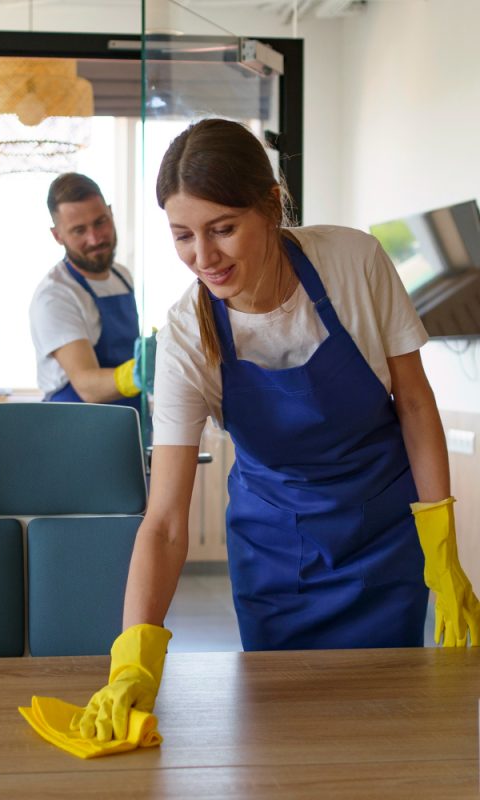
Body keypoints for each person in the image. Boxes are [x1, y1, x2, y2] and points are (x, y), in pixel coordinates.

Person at [71, 118, 480, 742]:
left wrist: (443, 550)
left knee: (387, 732)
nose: (203, 258)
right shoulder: (185, 337)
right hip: (275, 555)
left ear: (271, 205)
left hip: (384, 538)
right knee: (285, 736)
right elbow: (166, 521)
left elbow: (416, 405)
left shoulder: (352, 262)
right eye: (183, 236)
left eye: (223, 229)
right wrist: (133, 660)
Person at [29, 172, 155, 410]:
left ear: (110, 213)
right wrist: (141, 372)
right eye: (79, 230)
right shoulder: (55, 296)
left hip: (128, 418)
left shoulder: (122, 276)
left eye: (100, 222)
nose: (95, 238)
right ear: (57, 236)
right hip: (75, 429)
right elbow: (87, 386)